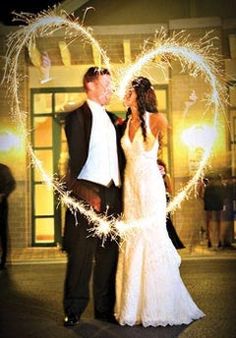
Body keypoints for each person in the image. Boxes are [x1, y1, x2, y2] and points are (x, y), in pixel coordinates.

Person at [115, 76, 205, 326]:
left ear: (140, 94)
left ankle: (160, 305)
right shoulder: (125, 122)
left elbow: (179, 135)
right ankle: (133, 307)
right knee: (133, 239)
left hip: (150, 187)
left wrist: (187, 106)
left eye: (129, 92)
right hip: (131, 188)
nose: (125, 95)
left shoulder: (156, 119)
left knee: (151, 238)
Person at [62, 67, 124, 327]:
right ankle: (73, 308)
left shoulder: (113, 118)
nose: (111, 90)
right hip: (86, 191)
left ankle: (104, 308)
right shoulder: (77, 117)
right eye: (106, 84)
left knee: (109, 253)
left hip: (113, 191)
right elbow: (74, 162)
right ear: (90, 84)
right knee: (81, 254)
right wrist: (86, 193)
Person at [157, 159, 185, 249]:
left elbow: (170, 190)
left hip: (165, 199)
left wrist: (162, 191)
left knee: (167, 221)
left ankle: (173, 242)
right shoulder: (154, 176)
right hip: (157, 200)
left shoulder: (166, 176)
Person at [200, 174, 225, 248]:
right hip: (217, 202)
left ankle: (210, 240)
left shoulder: (207, 186)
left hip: (209, 203)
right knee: (218, 220)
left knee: (209, 221)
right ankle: (219, 240)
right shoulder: (220, 185)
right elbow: (224, 195)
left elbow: (201, 195)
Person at [0, 163, 16, 270]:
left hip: (1, 205)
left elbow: (11, 184)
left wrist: (3, 194)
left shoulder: (3, 169)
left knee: (2, 232)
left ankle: (3, 260)